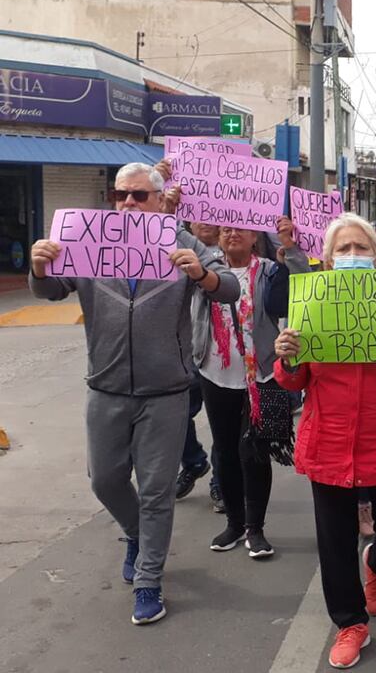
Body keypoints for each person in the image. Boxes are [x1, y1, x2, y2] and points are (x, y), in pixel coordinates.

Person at [28, 162, 239, 625]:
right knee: (104, 479)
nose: (127, 203)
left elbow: (229, 287)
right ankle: (137, 535)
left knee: (156, 491)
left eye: (139, 196)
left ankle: (148, 581)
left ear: (162, 202)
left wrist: (202, 275)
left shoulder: (186, 244)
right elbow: (50, 289)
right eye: (121, 194)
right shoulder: (87, 239)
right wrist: (39, 266)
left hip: (165, 392)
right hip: (104, 387)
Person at [274, 212, 376, 669]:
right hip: (328, 441)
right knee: (333, 541)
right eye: (342, 250)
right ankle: (351, 622)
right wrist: (287, 358)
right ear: (327, 262)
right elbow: (294, 382)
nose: (352, 256)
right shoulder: (312, 305)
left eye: (360, 247)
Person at [195, 216, 309, 558]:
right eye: (226, 227)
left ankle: (255, 529)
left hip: (263, 374)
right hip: (216, 373)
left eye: (240, 227)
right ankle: (234, 522)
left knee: (255, 452)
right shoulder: (204, 270)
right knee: (225, 450)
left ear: (255, 235)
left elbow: (299, 293)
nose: (232, 233)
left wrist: (291, 249)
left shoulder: (272, 272)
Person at [177, 222, 224, 512]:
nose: (205, 220)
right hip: (189, 355)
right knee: (175, 417)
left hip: (231, 359)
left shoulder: (237, 246)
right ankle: (194, 461)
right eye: (198, 213)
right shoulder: (176, 246)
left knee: (226, 427)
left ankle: (222, 481)